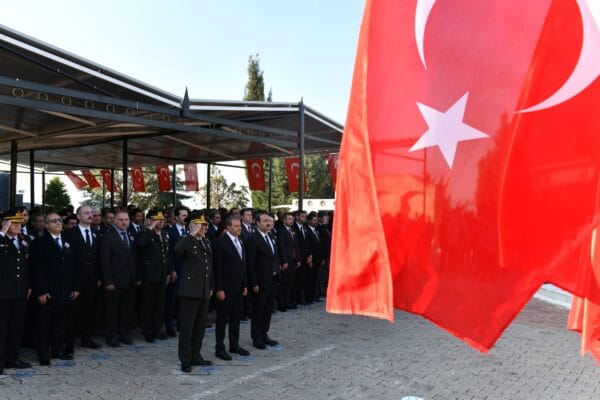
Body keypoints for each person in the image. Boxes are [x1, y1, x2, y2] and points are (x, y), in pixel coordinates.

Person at [32, 212, 80, 365]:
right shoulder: (40, 242)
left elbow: (74, 266)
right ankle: (43, 355)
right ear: (46, 225)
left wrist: (75, 287)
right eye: (53, 221)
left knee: (61, 323)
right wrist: (41, 291)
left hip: (65, 290)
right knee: (45, 325)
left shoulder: (67, 240)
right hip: (48, 291)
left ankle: (57, 351)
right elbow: (37, 269)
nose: (58, 223)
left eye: (59, 220)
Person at [175, 212, 213, 373]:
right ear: (191, 227)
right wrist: (191, 234)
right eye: (199, 225)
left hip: (204, 290)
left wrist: (211, 286)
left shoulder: (206, 241)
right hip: (190, 291)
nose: (203, 228)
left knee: (199, 327)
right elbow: (177, 250)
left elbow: (209, 267)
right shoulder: (187, 241)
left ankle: (196, 355)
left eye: (204, 225)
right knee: (187, 328)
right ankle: (185, 359)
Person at [63, 205, 102, 350]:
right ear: (78, 216)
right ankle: (69, 344)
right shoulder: (69, 233)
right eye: (86, 213)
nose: (90, 215)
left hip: (91, 280)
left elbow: (97, 257)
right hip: (75, 279)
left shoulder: (96, 233)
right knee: (72, 313)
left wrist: (98, 276)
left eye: (91, 213)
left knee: (89, 311)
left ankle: (87, 338)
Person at [212, 216, 250, 361]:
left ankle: (234, 345)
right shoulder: (220, 242)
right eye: (236, 226)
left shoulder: (240, 241)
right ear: (227, 227)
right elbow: (218, 268)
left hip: (238, 287)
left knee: (236, 318)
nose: (239, 228)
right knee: (222, 319)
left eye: (240, 226)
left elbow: (242, 265)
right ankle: (219, 348)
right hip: (225, 288)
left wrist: (245, 284)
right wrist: (219, 288)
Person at [0, 211, 32, 374]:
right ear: (5, 224)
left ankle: (13, 358)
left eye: (20, 223)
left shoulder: (24, 241)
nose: (18, 225)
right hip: (3, 293)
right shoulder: (1, 240)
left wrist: (29, 286)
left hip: (19, 292)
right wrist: (1, 233)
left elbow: (27, 267)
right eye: (14, 223)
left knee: (16, 327)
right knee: (2, 328)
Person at [101, 211, 139, 347]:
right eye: (121, 220)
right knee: (112, 311)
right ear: (115, 221)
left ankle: (124, 334)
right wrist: (108, 281)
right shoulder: (108, 237)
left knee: (127, 310)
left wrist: (137, 277)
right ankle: (111, 336)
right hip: (115, 281)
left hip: (130, 280)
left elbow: (135, 258)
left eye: (126, 219)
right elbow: (104, 261)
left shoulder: (131, 235)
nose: (124, 222)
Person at [246, 211, 281, 349]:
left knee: (268, 309)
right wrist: (253, 282)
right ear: (257, 223)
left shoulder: (271, 236)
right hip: (260, 281)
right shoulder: (253, 239)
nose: (269, 223)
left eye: (270, 221)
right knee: (258, 310)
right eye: (265, 220)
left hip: (272, 279)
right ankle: (256, 337)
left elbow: (275, 256)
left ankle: (264, 333)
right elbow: (251, 263)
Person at [136, 210, 170, 343]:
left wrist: (168, 271)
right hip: (149, 275)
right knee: (147, 305)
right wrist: (150, 227)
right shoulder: (145, 233)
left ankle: (157, 329)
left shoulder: (165, 234)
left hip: (162, 275)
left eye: (162, 219)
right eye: (157, 219)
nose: (161, 222)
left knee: (159, 305)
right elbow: (140, 244)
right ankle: (147, 331)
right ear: (150, 220)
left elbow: (167, 255)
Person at [165, 206, 189, 337]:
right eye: (183, 215)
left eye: (187, 215)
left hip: (187, 271)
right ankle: (169, 326)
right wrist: (172, 269)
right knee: (171, 300)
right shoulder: (169, 231)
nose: (186, 218)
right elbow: (169, 252)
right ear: (176, 217)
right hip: (175, 270)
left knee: (183, 300)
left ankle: (181, 324)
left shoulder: (189, 230)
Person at [276, 212, 301, 310]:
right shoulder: (281, 231)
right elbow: (281, 247)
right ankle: (281, 304)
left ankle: (288, 302)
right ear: (284, 220)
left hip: (293, 261)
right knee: (283, 283)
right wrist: (284, 261)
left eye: (292, 219)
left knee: (290, 283)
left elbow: (296, 246)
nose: (291, 221)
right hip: (286, 261)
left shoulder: (292, 231)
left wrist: (298, 259)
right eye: (289, 219)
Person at [292, 210, 312, 305]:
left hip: (306, 259)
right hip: (298, 259)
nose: (304, 218)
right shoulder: (293, 228)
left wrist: (309, 256)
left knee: (304, 279)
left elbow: (308, 243)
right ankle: (296, 299)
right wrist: (299, 259)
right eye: (302, 216)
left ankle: (301, 298)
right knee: (296, 281)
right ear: (297, 217)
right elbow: (296, 246)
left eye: (305, 216)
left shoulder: (305, 227)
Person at [305, 212, 325, 303]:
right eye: (313, 220)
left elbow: (320, 245)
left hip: (318, 258)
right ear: (308, 221)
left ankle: (314, 295)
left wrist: (322, 258)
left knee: (315, 278)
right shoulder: (306, 230)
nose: (315, 222)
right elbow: (308, 246)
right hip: (312, 258)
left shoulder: (316, 230)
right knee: (310, 278)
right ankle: (309, 297)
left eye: (316, 220)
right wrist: (310, 258)